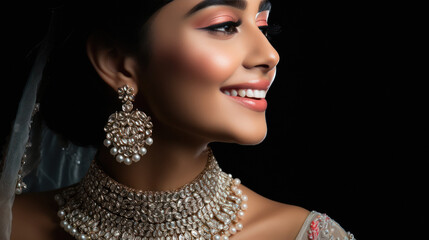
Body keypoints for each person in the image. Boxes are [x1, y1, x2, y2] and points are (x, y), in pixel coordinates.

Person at [1, 0, 355, 239]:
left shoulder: (299, 235)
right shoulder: (11, 226)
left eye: (264, 26)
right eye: (225, 25)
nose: (269, 54)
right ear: (116, 62)